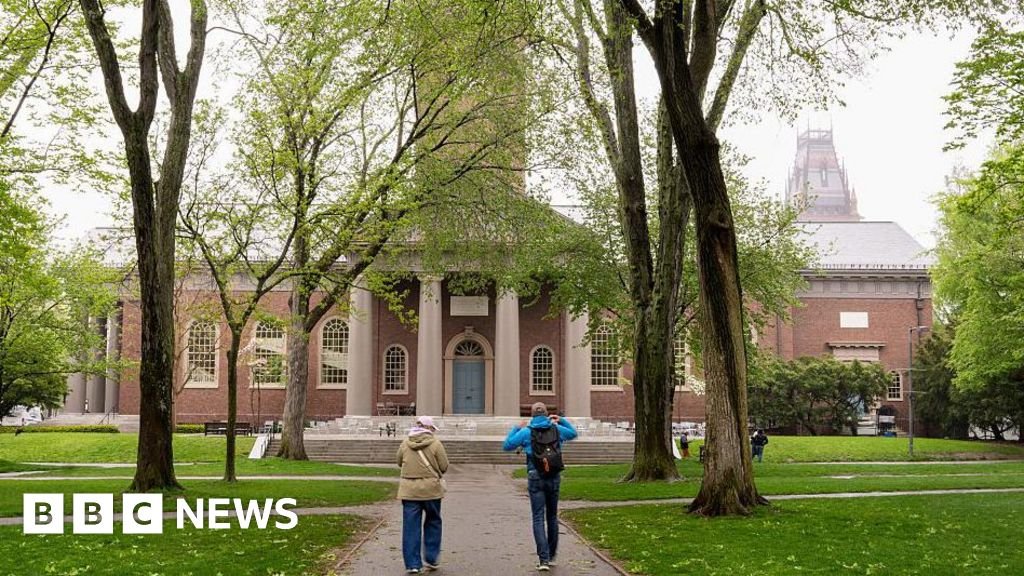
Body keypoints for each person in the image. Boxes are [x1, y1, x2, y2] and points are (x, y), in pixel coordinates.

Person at [502, 402, 578, 572]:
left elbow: (507, 446)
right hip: (554, 475)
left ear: (532, 415)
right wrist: (561, 420)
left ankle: (543, 559)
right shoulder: (556, 429)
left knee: (538, 517)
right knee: (552, 516)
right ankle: (551, 556)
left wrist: (516, 428)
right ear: (546, 413)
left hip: (535, 475)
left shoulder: (526, 432)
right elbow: (573, 433)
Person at [396, 416, 449, 574]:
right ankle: (431, 557)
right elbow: (444, 466)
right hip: (431, 490)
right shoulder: (436, 444)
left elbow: (399, 462)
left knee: (410, 526)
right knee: (433, 521)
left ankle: (413, 564)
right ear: (429, 428)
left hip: (409, 491)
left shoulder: (405, 443)